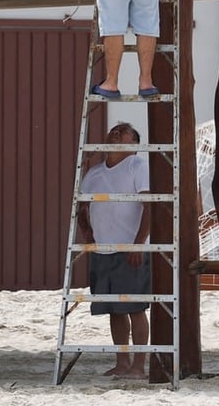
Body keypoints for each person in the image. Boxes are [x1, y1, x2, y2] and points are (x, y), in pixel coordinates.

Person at [77, 121, 151, 378]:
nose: (117, 131)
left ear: (134, 145)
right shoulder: (95, 173)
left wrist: (138, 243)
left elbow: (150, 206)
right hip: (102, 250)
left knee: (135, 308)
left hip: (129, 248)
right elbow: (82, 208)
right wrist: (87, 234)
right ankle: (122, 362)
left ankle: (139, 366)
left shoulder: (137, 166)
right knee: (113, 310)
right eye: (114, 129)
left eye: (125, 131)